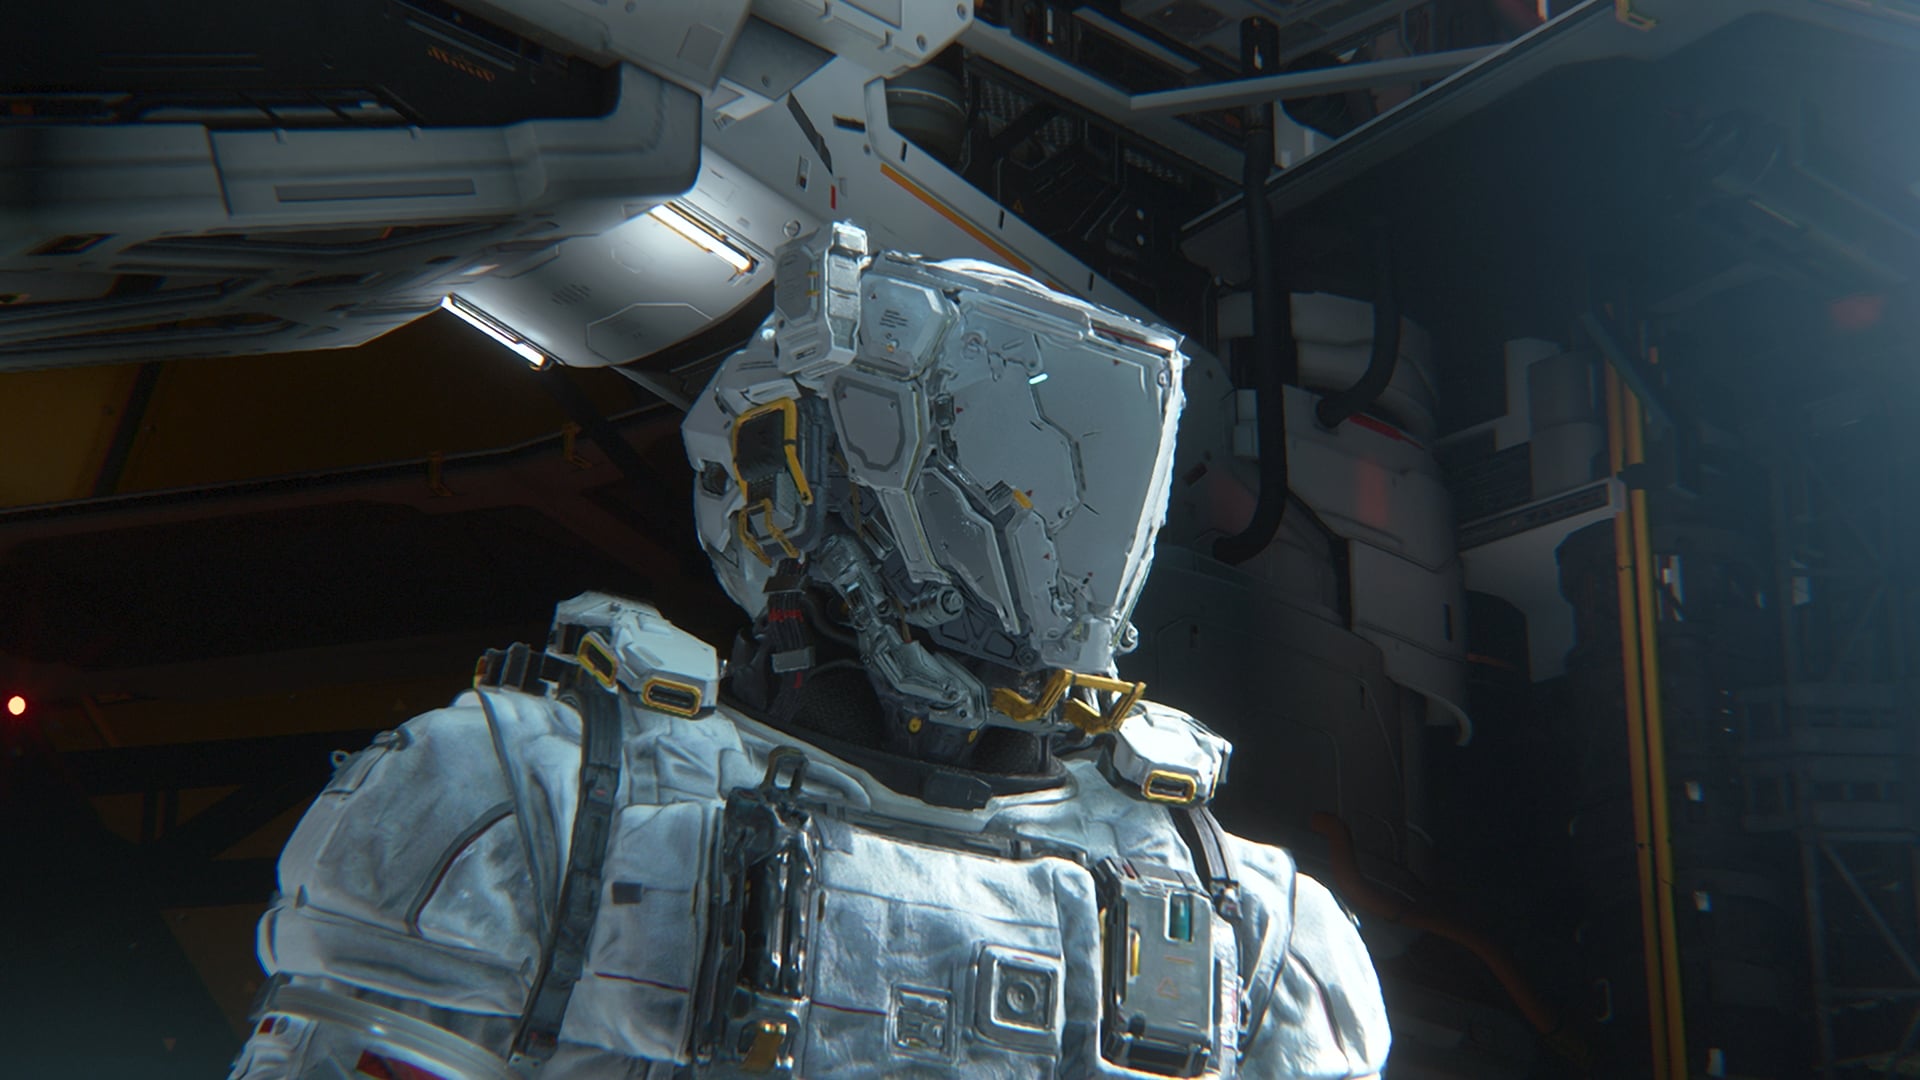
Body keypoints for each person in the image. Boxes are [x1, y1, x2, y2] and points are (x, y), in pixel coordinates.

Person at [230, 222, 1390, 1079]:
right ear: (798, 480)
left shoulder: (1253, 925)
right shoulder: (529, 802)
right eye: (987, 453)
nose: (1048, 528)